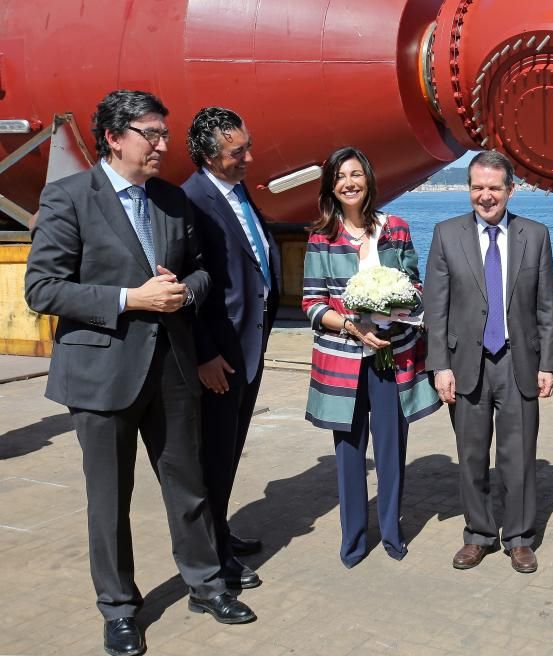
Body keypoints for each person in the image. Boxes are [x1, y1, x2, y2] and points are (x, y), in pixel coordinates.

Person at [24, 90, 256, 656]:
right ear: (113, 137)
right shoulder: (68, 198)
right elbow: (42, 289)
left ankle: (205, 584)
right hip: (102, 376)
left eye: (163, 133)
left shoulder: (173, 201)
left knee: (189, 486)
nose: (161, 144)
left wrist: (181, 292)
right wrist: (133, 298)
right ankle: (120, 608)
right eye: (150, 133)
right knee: (110, 498)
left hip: (172, 369)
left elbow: (202, 272)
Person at [302, 146, 440, 568]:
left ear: (369, 179)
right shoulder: (321, 237)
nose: (350, 182)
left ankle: (393, 531)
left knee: (392, 447)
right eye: (341, 175)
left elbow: (416, 285)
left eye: (357, 174)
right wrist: (350, 325)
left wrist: (398, 307)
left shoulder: (395, 228)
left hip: (392, 355)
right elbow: (311, 302)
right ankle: (354, 538)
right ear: (331, 185)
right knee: (349, 451)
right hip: (342, 357)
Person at [423, 151, 553, 573]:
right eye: (477, 188)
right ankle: (479, 534)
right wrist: (439, 366)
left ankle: (520, 537)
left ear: (510, 191)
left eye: (494, 188)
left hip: (518, 363)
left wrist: (548, 363)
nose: (485, 196)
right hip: (467, 364)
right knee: (471, 456)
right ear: (469, 190)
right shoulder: (446, 235)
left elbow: (545, 307)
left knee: (518, 457)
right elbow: (436, 308)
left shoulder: (534, 235)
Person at [182, 107, 280, 589]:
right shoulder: (192, 201)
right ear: (207, 155)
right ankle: (214, 555)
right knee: (212, 458)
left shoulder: (236, 189)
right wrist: (204, 354)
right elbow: (187, 289)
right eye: (237, 151)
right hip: (220, 355)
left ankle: (219, 530)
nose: (249, 157)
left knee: (229, 452)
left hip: (249, 345)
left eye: (247, 145)